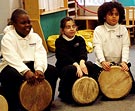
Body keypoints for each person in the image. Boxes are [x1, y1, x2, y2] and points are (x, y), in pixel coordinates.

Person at [0, 8, 58, 111]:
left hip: (30, 64)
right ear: (14, 24)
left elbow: (40, 53)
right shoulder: (8, 38)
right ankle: (19, 106)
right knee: (14, 76)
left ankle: (45, 103)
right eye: (23, 23)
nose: (27, 25)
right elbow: (12, 57)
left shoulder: (35, 37)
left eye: (28, 22)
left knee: (52, 71)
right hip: (11, 66)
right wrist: (25, 71)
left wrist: (39, 69)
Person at [92, 1, 135, 96]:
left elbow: (125, 47)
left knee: (131, 90)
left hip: (120, 64)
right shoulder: (98, 30)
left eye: (116, 14)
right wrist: (103, 61)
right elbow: (97, 47)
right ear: (104, 16)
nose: (114, 16)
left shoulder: (123, 29)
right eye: (111, 14)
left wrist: (124, 62)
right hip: (102, 64)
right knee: (97, 91)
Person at [55, 17, 95, 104]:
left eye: (73, 26)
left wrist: (82, 63)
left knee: (90, 65)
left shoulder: (80, 39)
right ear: (62, 30)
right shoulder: (59, 41)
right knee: (71, 69)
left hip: (79, 64)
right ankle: (65, 93)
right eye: (68, 27)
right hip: (65, 66)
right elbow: (64, 57)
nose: (72, 29)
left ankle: (90, 90)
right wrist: (77, 66)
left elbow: (83, 53)